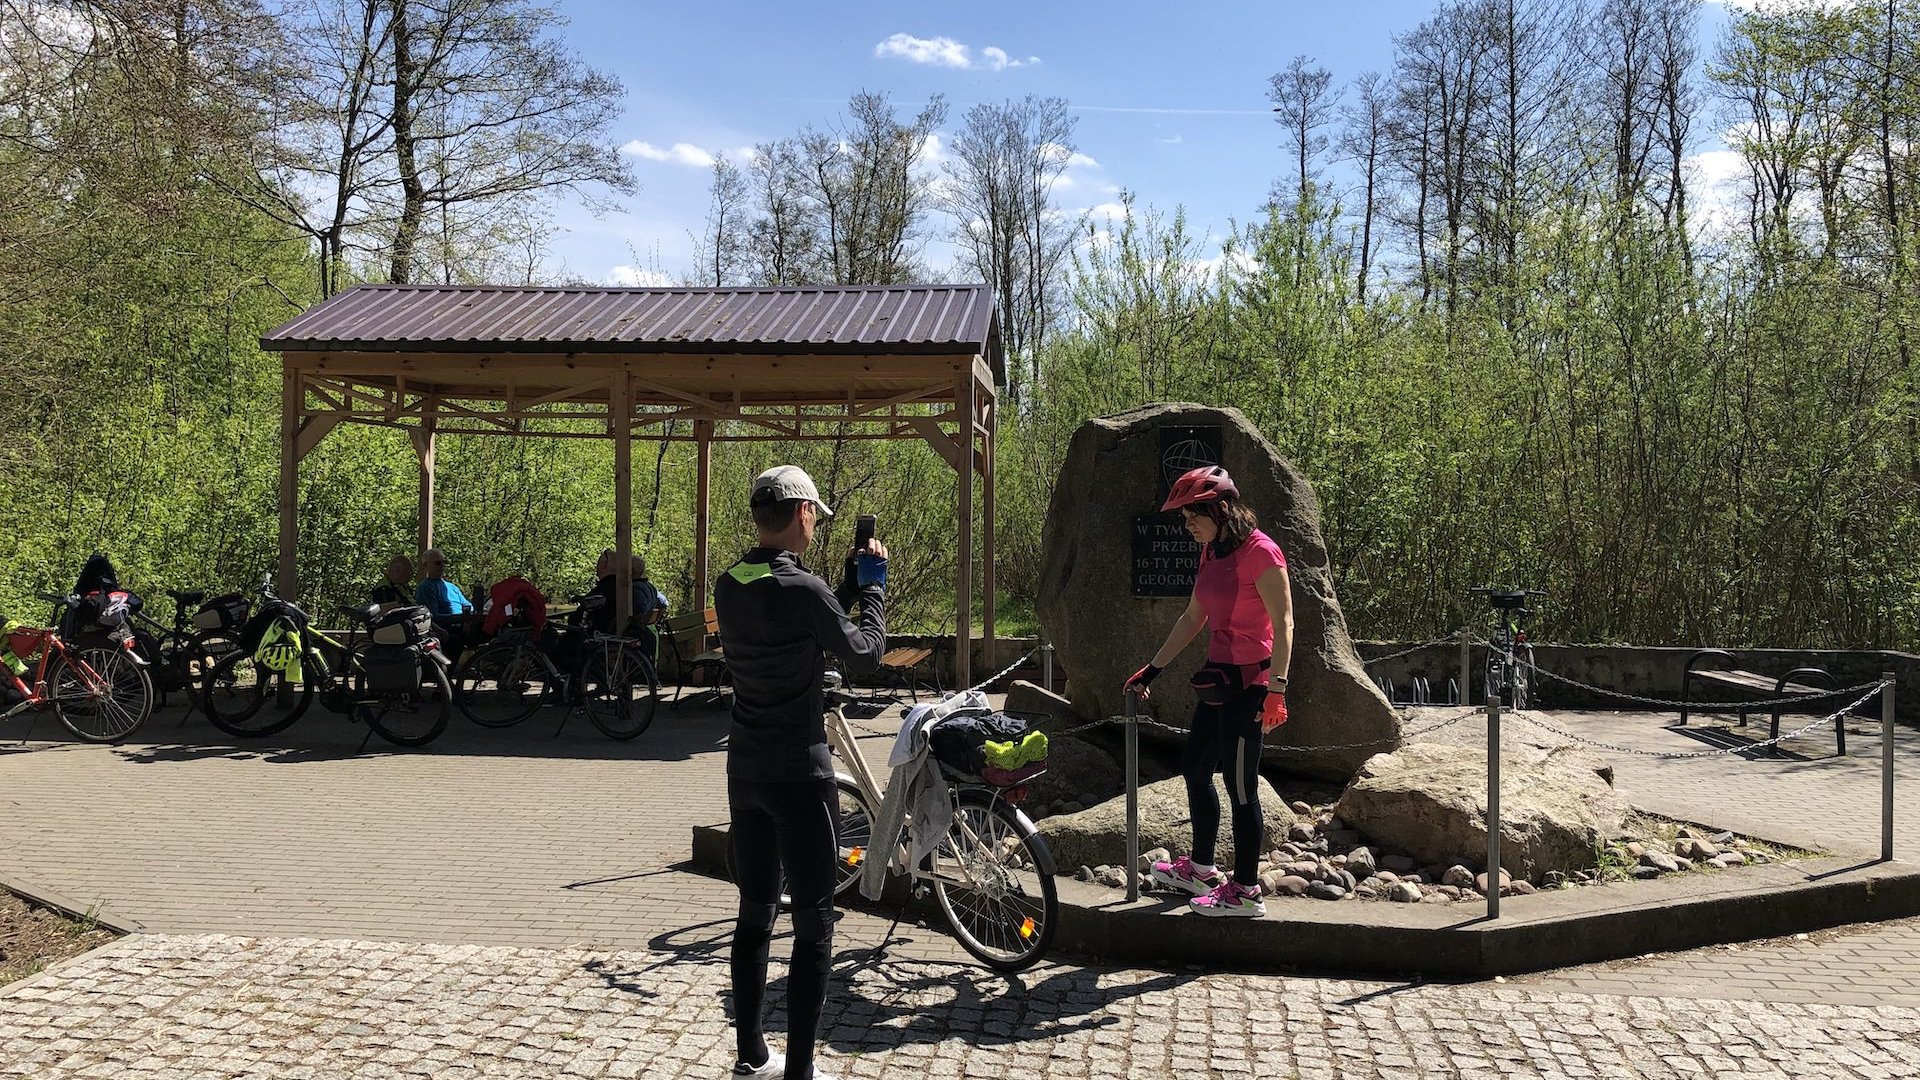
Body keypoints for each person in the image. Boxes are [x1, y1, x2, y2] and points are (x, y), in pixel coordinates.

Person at [716, 465, 886, 1080]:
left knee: (754, 910)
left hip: (747, 770)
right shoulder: (804, 589)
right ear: (803, 514)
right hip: (802, 773)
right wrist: (872, 585)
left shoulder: (730, 582)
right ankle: (802, 1070)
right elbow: (863, 651)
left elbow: (796, 617)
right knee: (814, 923)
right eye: (815, 515)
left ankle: (751, 1054)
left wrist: (834, 585)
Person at [1125, 465, 1295, 918]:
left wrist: (1277, 691)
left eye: (1190, 516)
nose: (1186, 525)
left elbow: (1284, 624)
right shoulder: (1212, 552)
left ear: (1218, 509)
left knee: (1242, 787)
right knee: (1196, 769)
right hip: (1218, 680)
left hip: (1254, 686)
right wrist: (1152, 670)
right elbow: (1191, 618)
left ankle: (1245, 891)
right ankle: (1200, 869)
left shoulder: (1262, 552)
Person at [414, 548, 474, 653]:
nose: (442, 565)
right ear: (426, 565)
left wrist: (467, 619)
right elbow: (433, 616)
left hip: (465, 624)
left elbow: (468, 605)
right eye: (438, 563)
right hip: (446, 629)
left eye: (444, 562)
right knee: (456, 641)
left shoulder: (452, 587)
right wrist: (461, 619)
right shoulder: (426, 588)